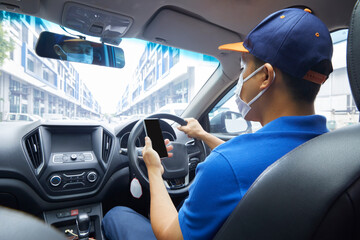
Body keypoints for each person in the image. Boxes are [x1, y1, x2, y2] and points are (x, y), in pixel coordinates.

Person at [102, 7, 333, 240]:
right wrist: (202, 135)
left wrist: (153, 169)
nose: (241, 78)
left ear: (265, 77)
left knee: (116, 215)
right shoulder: (332, 148)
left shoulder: (225, 166)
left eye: (244, 67)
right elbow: (251, 160)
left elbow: (169, 235)